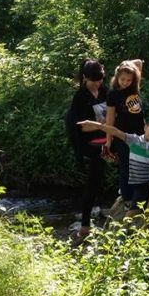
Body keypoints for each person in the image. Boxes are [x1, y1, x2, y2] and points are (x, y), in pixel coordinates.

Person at [78, 117, 149, 212]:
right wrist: (96, 125)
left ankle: (134, 220)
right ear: (145, 127)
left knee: (133, 212)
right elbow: (115, 131)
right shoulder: (134, 140)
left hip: (146, 184)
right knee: (132, 202)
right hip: (132, 182)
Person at [66, 59, 108, 243]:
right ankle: (85, 225)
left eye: (100, 79)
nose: (98, 83)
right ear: (85, 78)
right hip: (90, 142)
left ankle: (111, 206)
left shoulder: (104, 90)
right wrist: (102, 125)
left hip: (108, 137)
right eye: (94, 80)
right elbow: (81, 127)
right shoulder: (81, 97)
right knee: (93, 180)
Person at [105, 59, 145, 214]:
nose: (125, 82)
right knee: (126, 166)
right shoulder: (113, 94)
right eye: (122, 79)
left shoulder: (134, 89)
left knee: (140, 164)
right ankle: (127, 197)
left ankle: (138, 196)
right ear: (117, 77)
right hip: (122, 135)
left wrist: (129, 67)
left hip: (139, 134)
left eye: (129, 80)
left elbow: (138, 63)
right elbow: (110, 119)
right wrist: (108, 140)